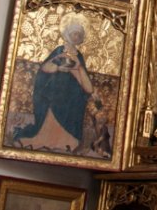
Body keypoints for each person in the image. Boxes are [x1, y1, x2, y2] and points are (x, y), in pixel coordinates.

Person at [13, 21, 96, 152]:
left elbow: (84, 79)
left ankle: (68, 141)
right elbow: (45, 68)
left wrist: (78, 68)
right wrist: (58, 68)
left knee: (77, 101)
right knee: (55, 101)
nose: (75, 37)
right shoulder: (59, 50)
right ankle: (45, 138)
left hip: (73, 93)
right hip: (57, 89)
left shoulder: (79, 55)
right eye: (74, 34)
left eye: (78, 35)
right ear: (68, 35)